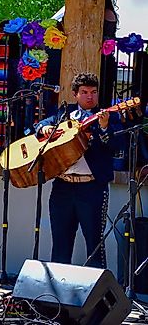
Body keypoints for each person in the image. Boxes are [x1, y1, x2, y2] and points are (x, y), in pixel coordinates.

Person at [38, 72, 123, 268]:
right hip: (63, 187)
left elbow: (118, 145)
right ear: (75, 94)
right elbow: (42, 124)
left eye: (93, 92)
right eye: (84, 92)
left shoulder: (110, 116)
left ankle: (96, 295)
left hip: (91, 188)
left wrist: (104, 128)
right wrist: (43, 129)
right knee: (60, 244)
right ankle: (59, 294)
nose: (90, 96)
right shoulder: (64, 114)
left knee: (94, 244)